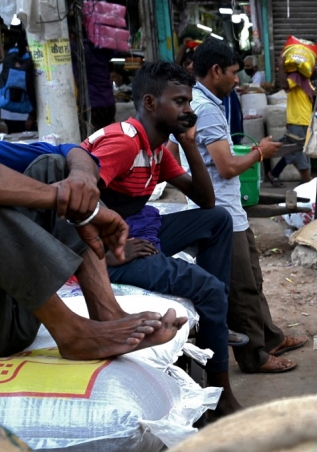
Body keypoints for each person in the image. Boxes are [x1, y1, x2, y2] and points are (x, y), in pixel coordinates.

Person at [81, 61, 241, 417]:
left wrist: (189, 143)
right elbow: (73, 205)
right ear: (151, 103)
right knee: (210, 288)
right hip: (106, 249)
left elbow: (206, 200)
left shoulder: (155, 148)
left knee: (217, 220)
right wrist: (109, 257)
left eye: (189, 102)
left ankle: (216, 319)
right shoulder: (123, 144)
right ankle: (221, 395)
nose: (187, 110)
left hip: (136, 230)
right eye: (180, 102)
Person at [167, 38, 308, 374]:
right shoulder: (207, 109)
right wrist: (260, 152)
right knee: (243, 287)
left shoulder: (194, 103)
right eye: (233, 73)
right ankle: (253, 356)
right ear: (216, 71)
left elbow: (174, 156)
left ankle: (270, 337)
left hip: (227, 209)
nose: (237, 80)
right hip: (222, 214)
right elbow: (227, 166)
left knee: (253, 279)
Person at [0, 141, 185, 360]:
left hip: (15, 315)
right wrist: (75, 205)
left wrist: (81, 179)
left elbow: (67, 151)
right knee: (69, 194)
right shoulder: (125, 139)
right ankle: (72, 333)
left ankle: (107, 312)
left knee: (55, 167)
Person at [266, 57, 314, 185]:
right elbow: (284, 85)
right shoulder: (296, 77)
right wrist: (281, 66)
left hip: (303, 120)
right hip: (298, 120)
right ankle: (308, 183)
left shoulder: (305, 79)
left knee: (292, 153)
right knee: (299, 152)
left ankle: (273, 173)